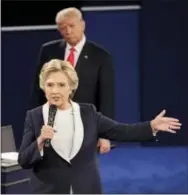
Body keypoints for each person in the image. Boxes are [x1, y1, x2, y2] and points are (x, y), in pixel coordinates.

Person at [18, 59, 181, 194]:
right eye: (50, 85)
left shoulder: (88, 113)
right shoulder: (34, 116)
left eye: (61, 85)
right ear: (43, 87)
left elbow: (121, 131)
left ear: (71, 87)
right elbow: (24, 160)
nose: (55, 90)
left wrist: (151, 126)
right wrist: (40, 141)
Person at [29, 7, 115, 154]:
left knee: (82, 173)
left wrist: (104, 134)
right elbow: (38, 90)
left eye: (71, 26)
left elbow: (106, 98)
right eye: (63, 28)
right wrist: (34, 126)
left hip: (85, 127)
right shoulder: (48, 51)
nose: (68, 31)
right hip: (52, 125)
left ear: (83, 25)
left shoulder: (101, 56)